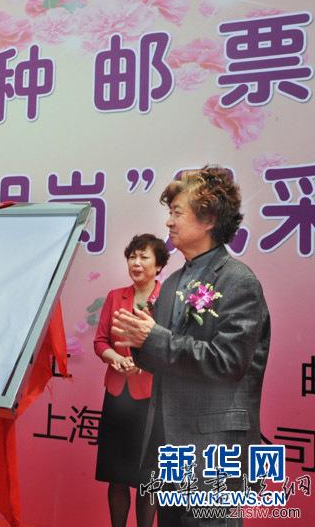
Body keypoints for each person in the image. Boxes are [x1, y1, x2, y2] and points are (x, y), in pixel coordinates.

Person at [113, 164, 270, 526]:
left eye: (177, 212)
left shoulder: (238, 281)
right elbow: (164, 354)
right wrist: (139, 342)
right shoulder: (171, 284)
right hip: (170, 450)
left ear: (209, 218)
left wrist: (154, 338)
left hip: (214, 452)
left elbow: (228, 361)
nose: (168, 223)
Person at [94, 233, 167, 527]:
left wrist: (141, 363)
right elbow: (100, 341)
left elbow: (171, 349)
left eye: (143, 257)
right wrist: (115, 358)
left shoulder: (168, 300)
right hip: (116, 396)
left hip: (150, 400)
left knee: (148, 478)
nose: (136, 263)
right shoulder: (115, 296)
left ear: (158, 265)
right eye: (132, 257)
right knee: (117, 475)